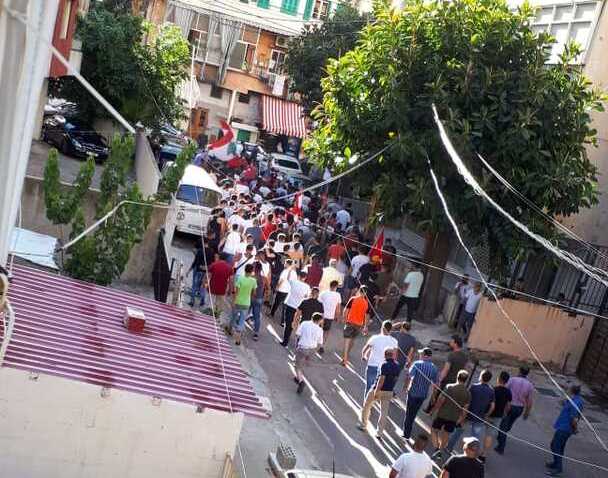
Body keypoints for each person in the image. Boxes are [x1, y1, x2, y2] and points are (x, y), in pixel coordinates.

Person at [447, 370, 495, 460]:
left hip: (468, 415)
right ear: (489, 379)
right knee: (475, 438)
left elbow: (467, 399)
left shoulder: (473, 387)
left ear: (481, 376)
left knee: (458, 431)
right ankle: (472, 455)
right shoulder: (491, 390)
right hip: (480, 417)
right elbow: (492, 406)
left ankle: (449, 448)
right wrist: (486, 415)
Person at [358, 348, 401, 439]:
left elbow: (381, 379)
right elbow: (396, 379)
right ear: (393, 355)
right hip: (389, 391)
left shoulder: (384, 364)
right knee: (384, 412)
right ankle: (379, 432)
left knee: (367, 406)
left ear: (385, 355)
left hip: (378, 389)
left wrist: (376, 391)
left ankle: (363, 424)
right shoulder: (397, 365)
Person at [431, 370, 471, 460]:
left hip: (442, 414)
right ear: (466, 380)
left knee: (434, 430)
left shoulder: (449, 387)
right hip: (454, 418)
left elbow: (441, 400)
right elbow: (465, 409)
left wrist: (433, 410)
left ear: (457, 377)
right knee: (446, 435)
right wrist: (460, 420)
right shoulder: (468, 393)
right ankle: (440, 451)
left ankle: (436, 449)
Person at [495, 366, 534, 455]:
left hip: (509, 405)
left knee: (503, 426)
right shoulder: (529, 385)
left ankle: (501, 446)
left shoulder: (512, 380)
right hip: (519, 408)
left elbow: (505, 390)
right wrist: (526, 413)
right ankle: (501, 436)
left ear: (519, 371)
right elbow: (530, 401)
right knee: (508, 424)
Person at [545, 385, 583, 476]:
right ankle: (556, 463)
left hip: (565, 428)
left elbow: (574, 418)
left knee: (555, 445)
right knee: (559, 446)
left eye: (568, 389)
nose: (567, 390)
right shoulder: (574, 399)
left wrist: (575, 428)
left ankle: (558, 468)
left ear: (572, 391)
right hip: (563, 426)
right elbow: (564, 403)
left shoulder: (576, 402)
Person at [425, 335, 468, 414]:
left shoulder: (452, 355)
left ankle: (429, 410)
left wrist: (439, 379)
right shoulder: (465, 356)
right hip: (456, 381)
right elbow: (465, 369)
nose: (450, 343)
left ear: (455, 343)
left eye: (452, 341)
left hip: (447, 379)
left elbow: (446, 369)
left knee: (436, 394)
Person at [402, 347, 439, 440]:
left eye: (421, 354)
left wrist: (405, 387)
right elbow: (436, 384)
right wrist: (434, 396)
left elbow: (409, 376)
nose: (420, 355)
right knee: (413, 413)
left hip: (413, 393)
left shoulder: (417, 364)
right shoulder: (434, 368)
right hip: (423, 395)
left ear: (425, 356)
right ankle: (408, 429)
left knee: (409, 413)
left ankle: (406, 433)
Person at [361, 321, 399, 396]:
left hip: (372, 365)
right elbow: (394, 356)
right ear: (391, 329)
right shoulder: (394, 341)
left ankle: (367, 404)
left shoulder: (375, 338)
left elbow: (365, 349)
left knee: (369, 386)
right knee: (379, 387)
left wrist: (364, 356)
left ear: (382, 328)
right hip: (385, 368)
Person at [226, 264, 257, 345]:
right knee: (242, 320)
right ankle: (238, 339)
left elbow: (237, 291)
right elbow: (254, 293)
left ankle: (230, 330)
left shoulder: (240, 278)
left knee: (233, 316)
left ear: (245, 270)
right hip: (246, 303)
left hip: (238, 301)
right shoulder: (253, 281)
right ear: (251, 271)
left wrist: (234, 300)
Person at [293, 312, 324, 394]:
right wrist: (314, 351)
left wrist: (296, 346)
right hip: (311, 349)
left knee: (297, 366)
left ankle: (301, 381)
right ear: (319, 320)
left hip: (302, 347)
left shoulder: (304, 323)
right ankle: (298, 377)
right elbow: (320, 343)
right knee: (302, 364)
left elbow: (297, 335)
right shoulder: (320, 330)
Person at [341, 286, 370, 366]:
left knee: (347, 341)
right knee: (352, 340)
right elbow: (367, 316)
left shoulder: (353, 299)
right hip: (359, 324)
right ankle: (347, 354)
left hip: (350, 322)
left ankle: (345, 359)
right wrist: (365, 326)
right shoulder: (366, 303)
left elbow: (346, 310)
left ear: (359, 291)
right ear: (365, 293)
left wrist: (344, 318)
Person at [281, 270, 311, 347]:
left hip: (290, 305)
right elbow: (307, 296)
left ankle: (285, 341)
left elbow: (287, 279)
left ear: (299, 276)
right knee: (297, 325)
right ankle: (297, 344)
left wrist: (290, 270)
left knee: (288, 323)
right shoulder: (307, 287)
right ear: (305, 278)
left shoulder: (294, 282)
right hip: (299, 308)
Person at [485, 371, 512, 454]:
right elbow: (508, 406)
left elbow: (488, 402)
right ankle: (484, 453)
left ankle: (480, 452)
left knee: (485, 433)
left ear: (498, 379)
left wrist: (486, 414)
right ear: (507, 381)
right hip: (499, 416)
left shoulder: (493, 389)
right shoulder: (508, 392)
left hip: (490, 414)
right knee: (490, 434)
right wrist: (505, 413)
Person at [207, 253, 233, 322]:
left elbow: (208, 276)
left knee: (211, 302)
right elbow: (231, 281)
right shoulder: (229, 268)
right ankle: (216, 317)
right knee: (219, 304)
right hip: (222, 289)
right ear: (226, 259)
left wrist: (205, 284)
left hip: (212, 287)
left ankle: (208, 317)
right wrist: (230, 290)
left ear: (219, 257)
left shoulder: (214, 264)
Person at [317, 280, 342, 353]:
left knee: (318, 329)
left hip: (321, 315)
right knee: (326, 331)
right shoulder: (338, 295)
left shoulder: (324, 293)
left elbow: (319, 303)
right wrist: (338, 316)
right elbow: (338, 307)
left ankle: (314, 343)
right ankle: (322, 346)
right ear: (336, 287)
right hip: (330, 316)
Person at [250, 261, 266, 341]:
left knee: (244, 312)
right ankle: (256, 333)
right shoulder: (263, 278)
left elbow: (252, 290)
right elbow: (266, 288)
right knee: (257, 317)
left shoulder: (252, 277)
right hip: (259, 299)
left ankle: (239, 327)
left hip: (251, 298)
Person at [187, 242, 205, 308]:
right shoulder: (210, 252)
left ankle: (192, 301)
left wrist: (188, 271)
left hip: (197, 270)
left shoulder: (199, 251)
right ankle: (202, 301)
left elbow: (195, 262)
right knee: (202, 287)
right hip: (204, 272)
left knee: (194, 285)